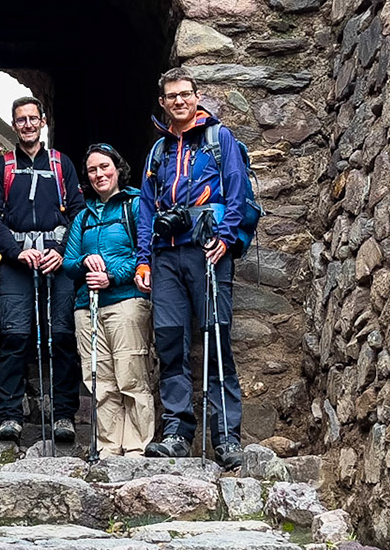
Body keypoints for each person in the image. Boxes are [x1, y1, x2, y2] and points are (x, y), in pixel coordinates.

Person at [137, 69, 251, 469]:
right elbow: (147, 209)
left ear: (197, 97)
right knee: (170, 344)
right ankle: (176, 432)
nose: (179, 101)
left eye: (185, 94)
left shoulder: (220, 141)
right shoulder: (158, 152)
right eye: (172, 96)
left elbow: (236, 191)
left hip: (207, 253)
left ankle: (226, 438)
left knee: (217, 341)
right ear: (164, 103)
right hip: (166, 258)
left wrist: (224, 236)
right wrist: (143, 260)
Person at [0, 94, 82, 445]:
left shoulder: (62, 164)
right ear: (14, 125)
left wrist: (61, 251)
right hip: (16, 263)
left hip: (57, 263)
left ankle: (63, 415)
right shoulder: (3, 166)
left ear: (42, 121)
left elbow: (77, 213)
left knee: (61, 336)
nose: (27, 124)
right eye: (20, 120)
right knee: (15, 336)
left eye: (32, 118)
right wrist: (14, 252)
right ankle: (9, 414)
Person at [61, 144, 155, 458]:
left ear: (117, 168)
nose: (99, 174)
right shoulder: (82, 216)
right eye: (92, 170)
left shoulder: (135, 204)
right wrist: (88, 260)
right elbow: (69, 262)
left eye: (104, 167)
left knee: (131, 372)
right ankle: (108, 446)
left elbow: (145, 252)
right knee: (98, 377)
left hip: (126, 300)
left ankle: (137, 446)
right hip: (87, 307)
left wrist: (111, 275)